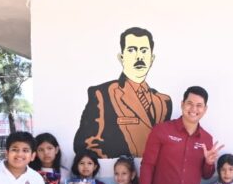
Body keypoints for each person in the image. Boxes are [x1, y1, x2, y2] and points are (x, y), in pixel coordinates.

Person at [74, 26, 172, 159]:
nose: (139, 56)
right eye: (132, 50)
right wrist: (120, 165)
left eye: (144, 51)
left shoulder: (163, 101)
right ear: (121, 58)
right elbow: (85, 144)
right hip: (118, 171)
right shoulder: (102, 93)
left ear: (152, 58)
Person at [139, 86, 222, 184]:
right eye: (190, 103)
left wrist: (209, 163)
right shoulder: (162, 130)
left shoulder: (206, 139)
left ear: (205, 109)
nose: (194, 109)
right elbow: (147, 165)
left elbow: (206, 175)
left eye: (199, 105)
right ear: (182, 104)